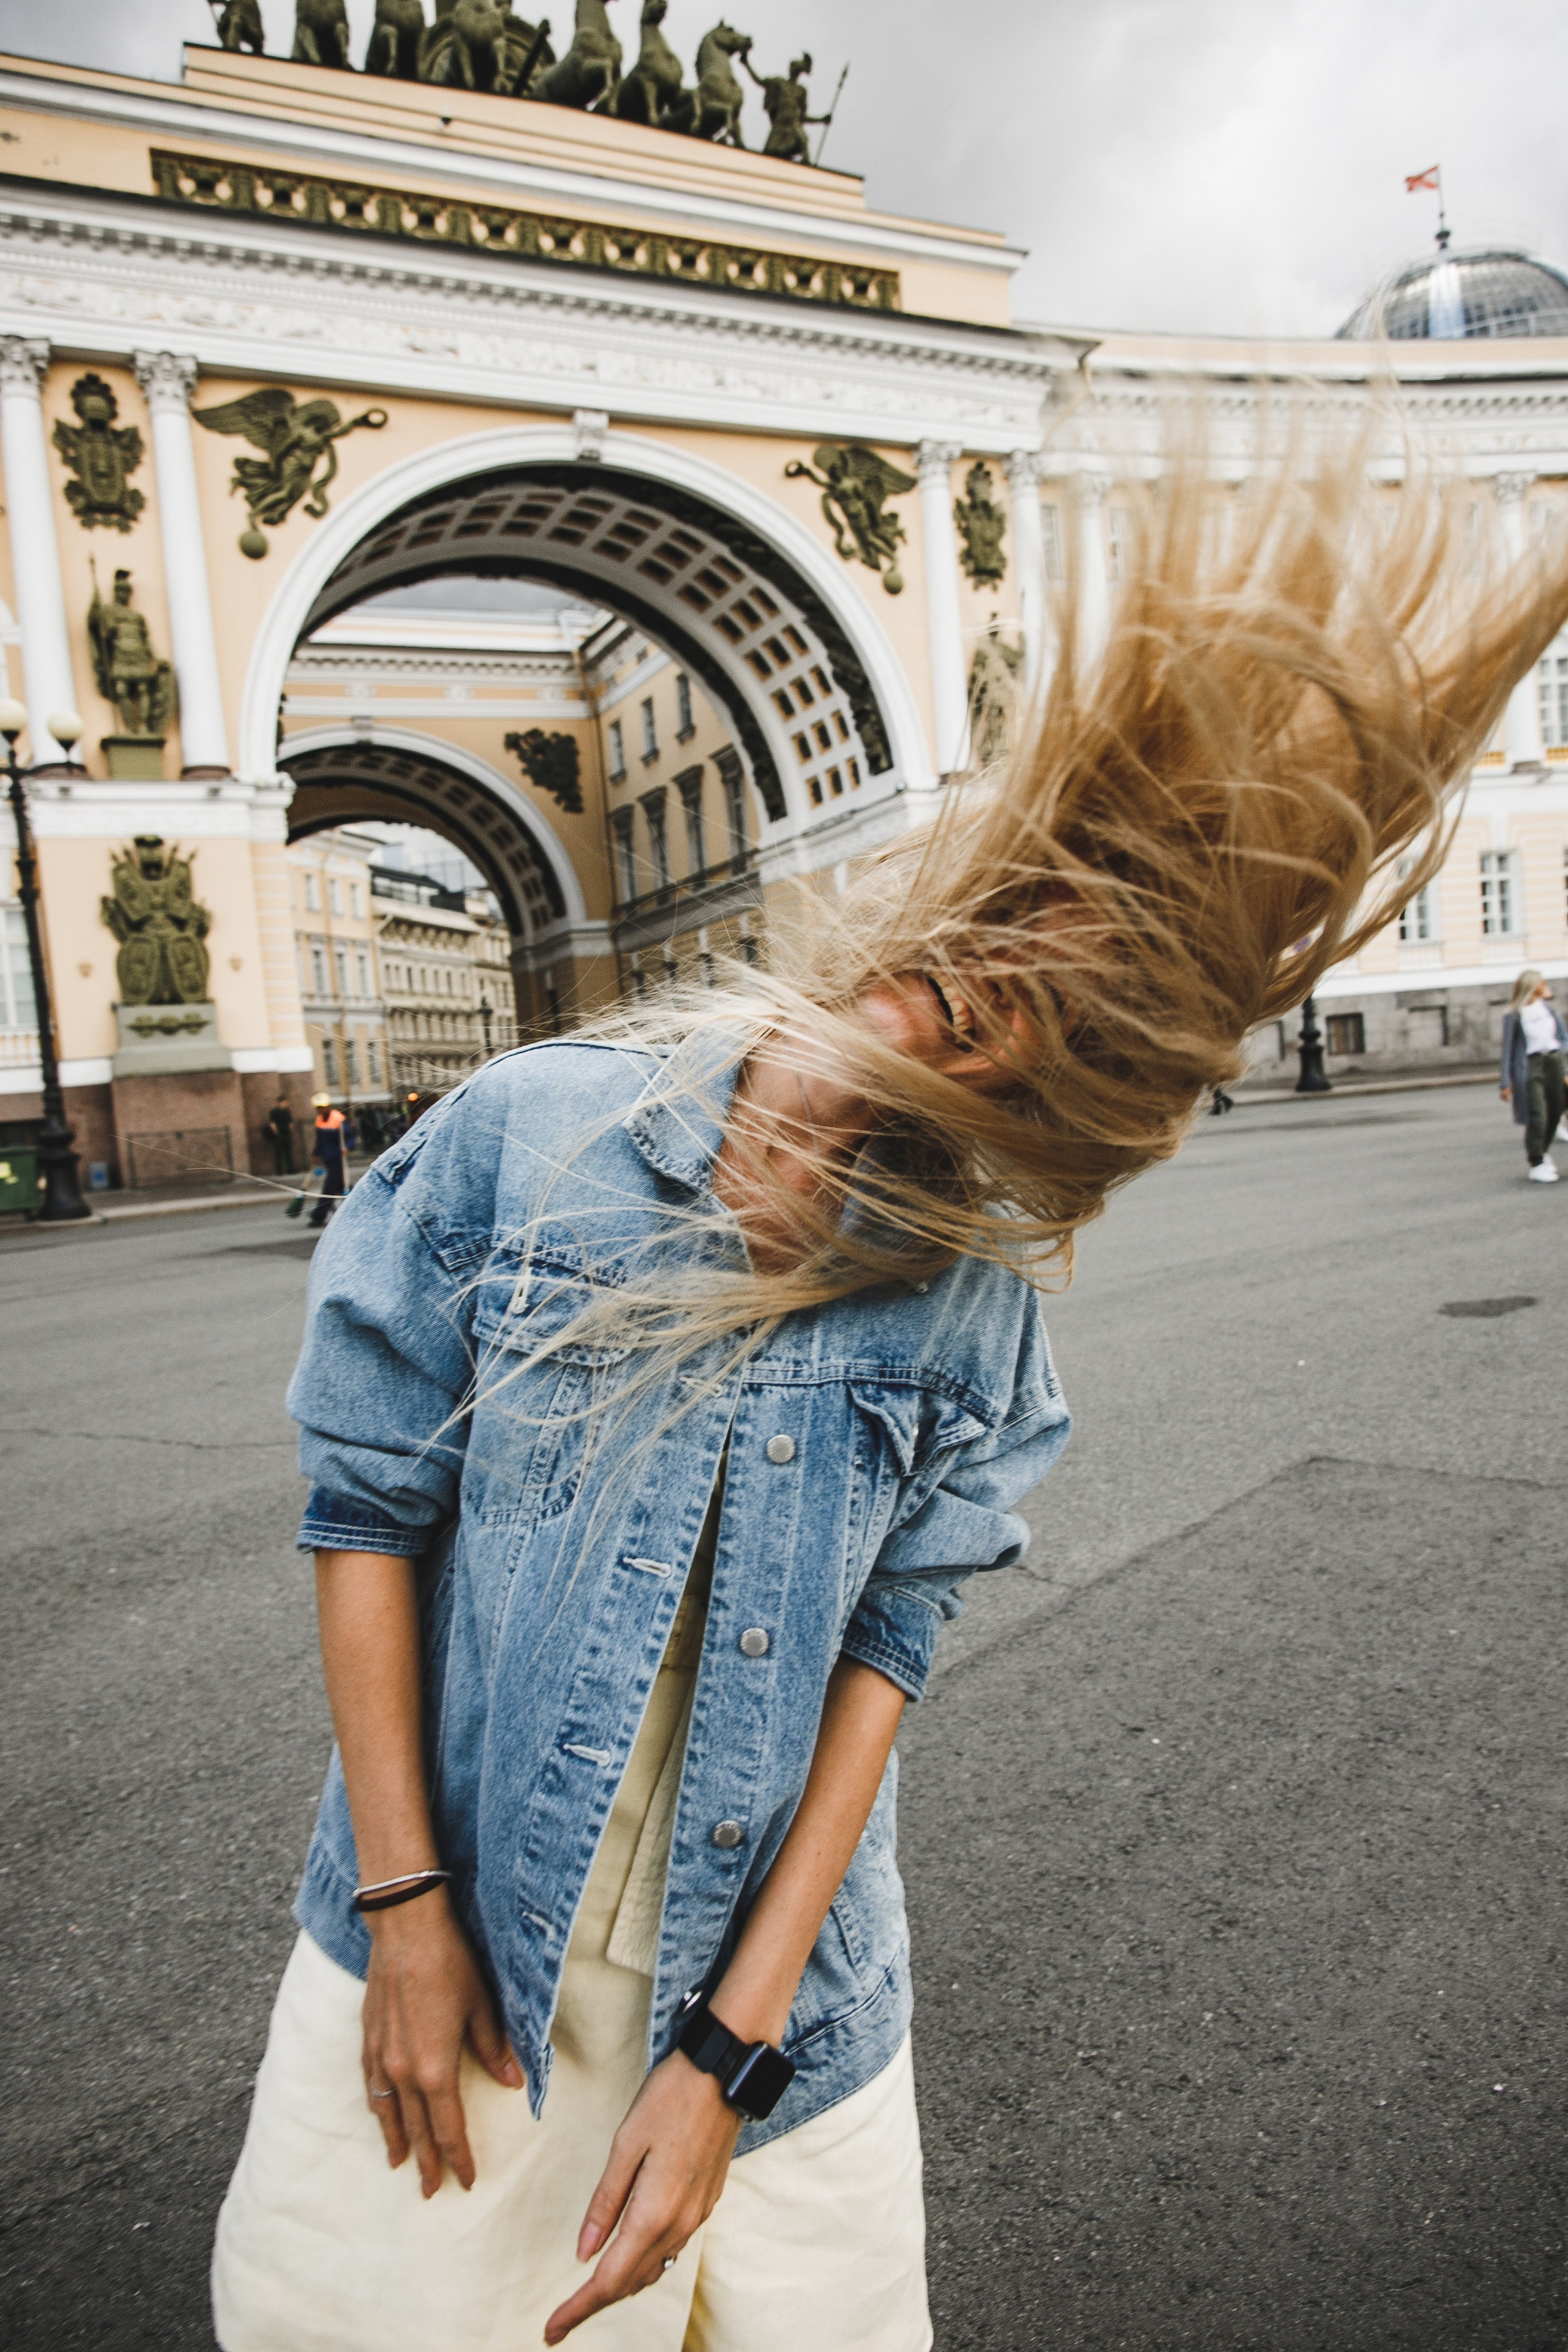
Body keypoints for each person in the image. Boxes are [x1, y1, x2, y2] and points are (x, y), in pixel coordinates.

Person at [212, 441, 1568, 2352]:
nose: (978, 973)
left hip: (790, 2014)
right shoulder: (530, 1133)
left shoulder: (962, 1296)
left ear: (1051, 1097)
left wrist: (729, 2054)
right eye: (1004, 920)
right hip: (465, 1951)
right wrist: (406, 1903)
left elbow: (882, 1660)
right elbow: (365, 1508)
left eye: (1036, 1012)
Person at [1499, 968, 1567, 1182]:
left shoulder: (1548, 1008)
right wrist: (1505, 1082)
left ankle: (1543, 1153)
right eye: (1541, 982)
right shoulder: (1515, 1015)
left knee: (1556, 1111)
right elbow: (1508, 1051)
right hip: (1530, 1066)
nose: (1544, 985)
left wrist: (1565, 1069)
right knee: (1538, 1115)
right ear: (1532, 986)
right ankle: (1537, 1163)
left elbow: (1563, 1037)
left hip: (1554, 1062)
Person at [308, 1092, 347, 1227]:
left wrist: (347, 1147)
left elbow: (349, 1137)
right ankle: (362, 1207)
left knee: (329, 1188)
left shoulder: (338, 1118)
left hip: (338, 1158)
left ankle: (319, 1216)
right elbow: (320, 1141)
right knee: (343, 1187)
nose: (321, 1110)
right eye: (318, 1108)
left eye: (323, 1107)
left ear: (328, 1107)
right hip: (328, 1158)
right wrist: (316, 1154)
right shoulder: (319, 1121)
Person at [262, 1094, 296, 1177]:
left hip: (286, 1133)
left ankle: (290, 1169)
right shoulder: (274, 1112)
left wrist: (290, 1131)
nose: (286, 1104)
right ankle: (280, 1171)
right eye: (284, 1102)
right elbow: (273, 1123)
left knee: (288, 1152)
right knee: (279, 1153)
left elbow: (290, 1123)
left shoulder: (287, 1112)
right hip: (279, 1134)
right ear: (280, 1102)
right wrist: (277, 1133)